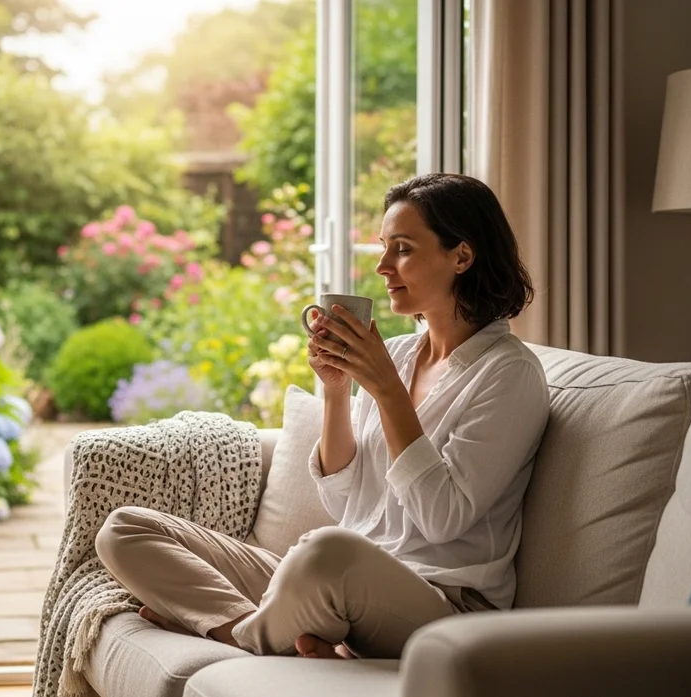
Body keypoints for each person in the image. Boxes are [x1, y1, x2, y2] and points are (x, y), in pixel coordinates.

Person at [94, 173, 550, 660]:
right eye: (383, 248)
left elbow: (443, 520)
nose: (381, 266)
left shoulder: (509, 373)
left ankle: (234, 633)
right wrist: (337, 392)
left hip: (440, 604)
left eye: (402, 249)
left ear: (461, 255)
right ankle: (257, 626)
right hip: (340, 579)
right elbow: (342, 497)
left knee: (327, 553)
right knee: (124, 528)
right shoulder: (395, 355)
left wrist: (386, 391)